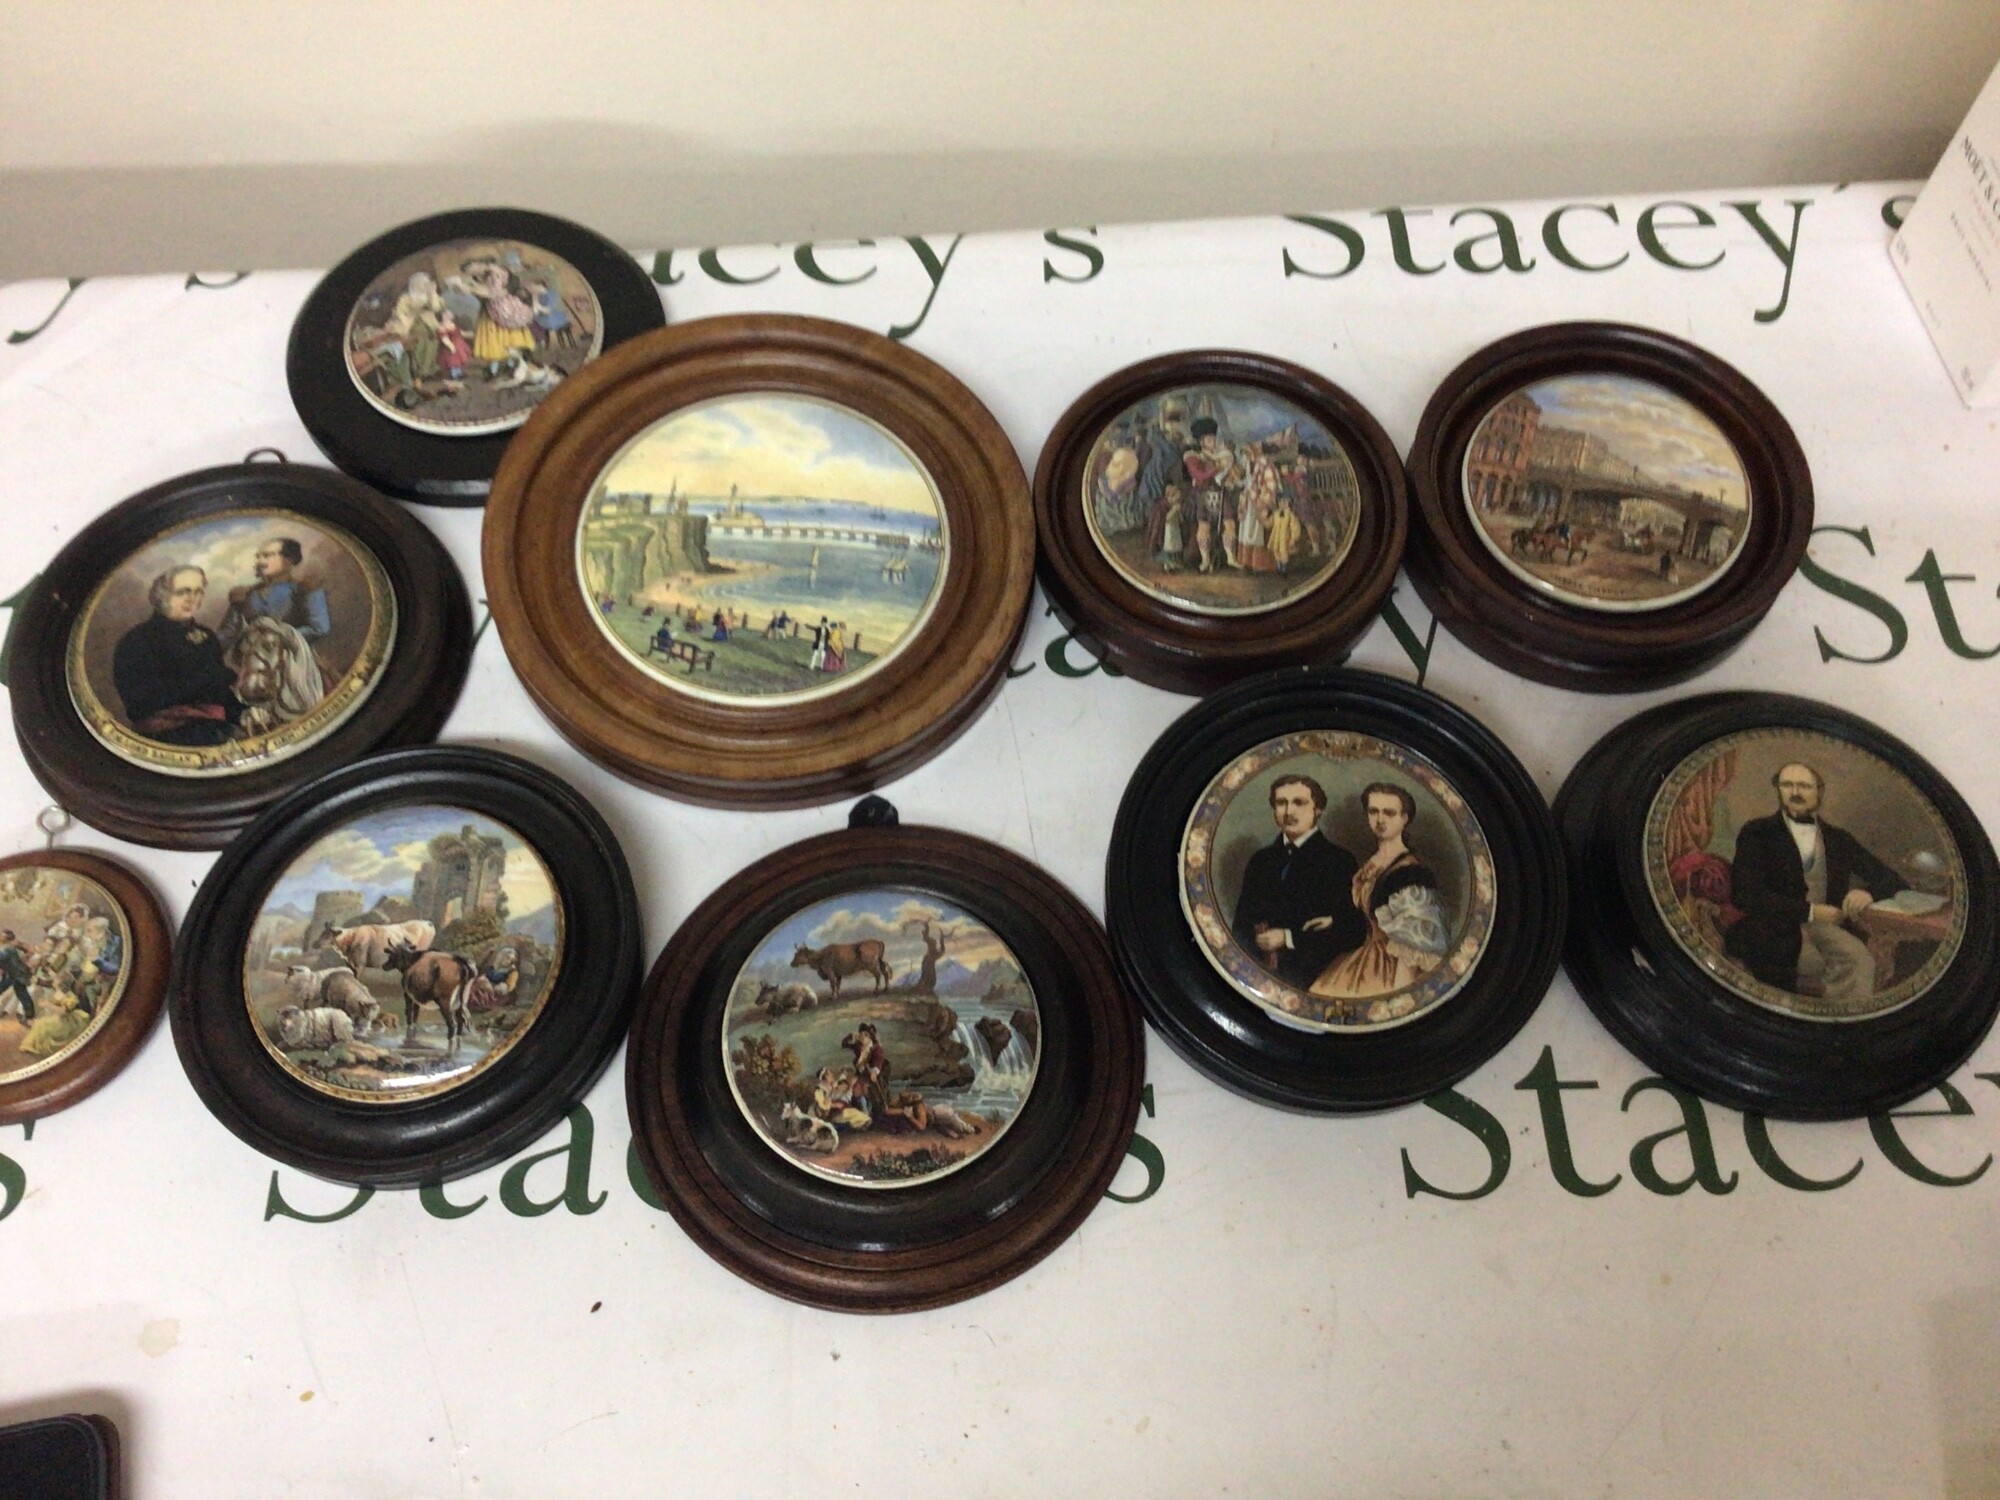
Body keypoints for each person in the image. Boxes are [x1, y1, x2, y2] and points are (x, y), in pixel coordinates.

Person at [1725, 761, 1903, 1000]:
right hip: (1772, 929)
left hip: (1827, 930)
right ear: (1778, 789)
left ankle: (1838, 1029)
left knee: (1859, 960)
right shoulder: (1757, 833)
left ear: (1819, 791)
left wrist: (1867, 893)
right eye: (1787, 785)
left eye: (1804, 786)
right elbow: (1745, 894)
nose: (1795, 793)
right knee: (1801, 963)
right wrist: (1810, 911)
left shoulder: (1838, 839)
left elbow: (1891, 879)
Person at [1310, 783, 1450, 1001]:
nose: (1380, 819)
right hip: (1364, 955)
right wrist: (1333, 920)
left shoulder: (1410, 875)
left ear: (1405, 818)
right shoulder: (1373, 863)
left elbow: (1412, 945)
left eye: (1389, 813)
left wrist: (1399, 996)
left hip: (1393, 966)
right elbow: (1368, 915)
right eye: (1373, 811)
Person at [1229, 774, 1368, 990]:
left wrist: (1288, 938)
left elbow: (1352, 930)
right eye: (1281, 803)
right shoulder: (1261, 860)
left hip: (1314, 978)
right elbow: (1240, 925)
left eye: (1299, 803)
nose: (1288, 812)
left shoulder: (1338, 860)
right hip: (1257, 976)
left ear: (1318, 809)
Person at [111, 566, 244, 746]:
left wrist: (244, 713)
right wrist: (211, 677)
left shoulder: (206, 636)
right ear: (162, 596)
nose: (192, 599)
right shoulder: (137, 640)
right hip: (166, 738)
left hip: (215, 729)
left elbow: (220, 695)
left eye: (198, 592)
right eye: (183, 592)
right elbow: (141, 702)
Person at [219, 537, 331, 651]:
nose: (260, 562)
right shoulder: (244, 595)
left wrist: (280, 637)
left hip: (295, 658)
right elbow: (228, 633)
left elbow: (320, 628)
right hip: (251, 660)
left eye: (267, 556)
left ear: (288, 559)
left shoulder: (306, 589)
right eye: (258, 557)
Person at [0, 930, 35, 1022]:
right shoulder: (8, 947)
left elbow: (2, 958)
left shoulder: (9, 949)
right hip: (13, 975)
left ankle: (30, 1017)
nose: (0, 936)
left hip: (17, 975)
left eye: (2, 935)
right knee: (23, 995)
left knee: (23, 995)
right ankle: (30, 1016)